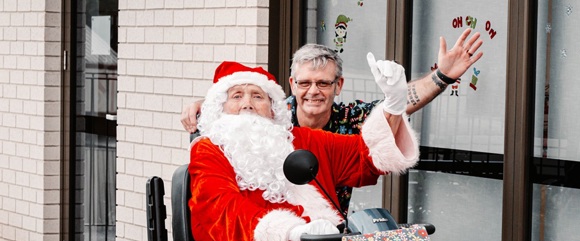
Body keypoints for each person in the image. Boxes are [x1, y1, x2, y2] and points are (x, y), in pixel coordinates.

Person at [186, 55, 418, 241]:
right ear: (220, 108)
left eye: (258, 97)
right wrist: (290, 232)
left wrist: (394, 105)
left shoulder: (301, 140)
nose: (247, 104)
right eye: (237, 96)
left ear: (273, 108)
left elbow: (365, 155)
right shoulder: (209, 150)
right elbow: (221, 210)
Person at [181, 28, 484, 213]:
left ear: (338, 86)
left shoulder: (351, 119)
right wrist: (206, 103)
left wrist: (442, 76)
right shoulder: (273, 116)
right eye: (304, 83)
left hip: (326, 235)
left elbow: (396, 106)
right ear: (291, 84)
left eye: (323, 84)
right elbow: (238, 118)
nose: (313, 91)